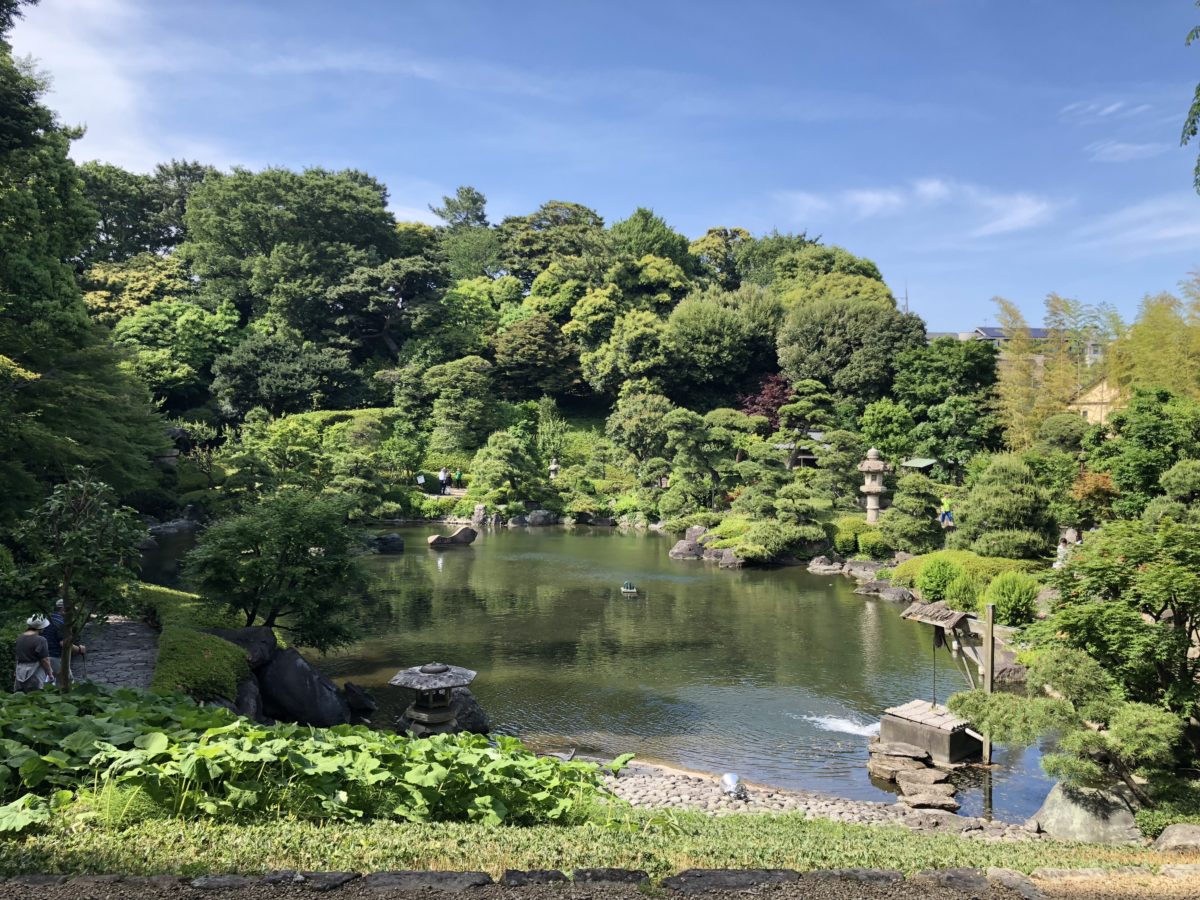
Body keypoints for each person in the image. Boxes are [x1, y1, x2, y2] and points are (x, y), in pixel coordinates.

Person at [44, 599, 84, 681]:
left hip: (44, 657)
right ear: (63, 610)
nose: (73, 613)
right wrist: (79, 649)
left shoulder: (47, 619)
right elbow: (64, 643)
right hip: (56, 657)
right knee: (67, 681)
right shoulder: (61, 623)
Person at [14, 615, 53, 693]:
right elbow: (44, 660)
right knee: (35, 696)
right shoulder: (41, 640)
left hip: (20, 671)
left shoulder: (19, 638)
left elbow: (17, 656)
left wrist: (15, 671)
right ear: (41, 628)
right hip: (35, 672)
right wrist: (50, 673)